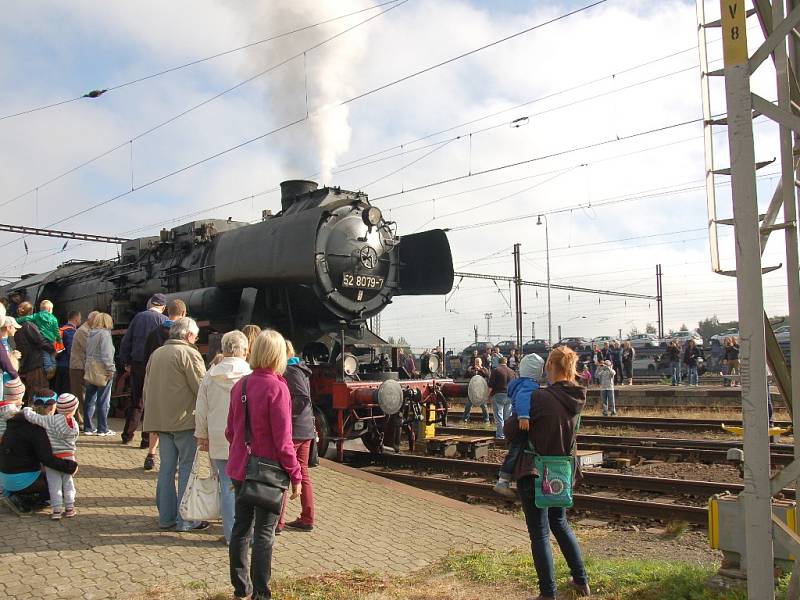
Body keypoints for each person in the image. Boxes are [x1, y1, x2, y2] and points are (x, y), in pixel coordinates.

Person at [505, 345, 590, 599]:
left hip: (535, 471)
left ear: (551, 367)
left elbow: (511, 431)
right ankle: (581, 581)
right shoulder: (577, 398)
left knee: (540, 533)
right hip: (561, 473)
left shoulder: (539, 398)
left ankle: (547, 593)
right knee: (560, 523)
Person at [226, 329, 301, 600]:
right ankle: (261, 593)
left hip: (239, 469)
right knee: (264, 533)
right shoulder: (278, 388)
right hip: (267, 472)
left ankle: (240, 588)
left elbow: (230, 431)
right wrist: (296, 475)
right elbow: (284, 441)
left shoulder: (241, 385)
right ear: (278, 355)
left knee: (241, 527)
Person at [143, 317, 208, 532]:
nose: (196, 340)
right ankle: (186, 519)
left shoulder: (157, 353)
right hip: (184, 421)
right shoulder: (189, 353)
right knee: (188, 470)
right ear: (189, 335)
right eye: (196, 336)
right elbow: (202, 389)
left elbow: (147, 387)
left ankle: (166, 518)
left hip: (161, 421)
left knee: (166, 470)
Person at [195, 330, 251, 545]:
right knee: (247, 486)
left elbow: (201, 408)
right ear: (244, 350)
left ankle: (230, 535)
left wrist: (202, 435)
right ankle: (247, 533)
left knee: (226, 485)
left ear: (224, 349)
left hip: (218, 436)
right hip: (245, 438)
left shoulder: (211, 374)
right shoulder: (249, 374)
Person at [0, 392, 78, 516]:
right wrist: (70, 466)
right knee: (60, 486)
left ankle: (14, 493)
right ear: (53, 407)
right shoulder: (38, 428)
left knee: (48, 473)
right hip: (20, 479)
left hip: (5, 477)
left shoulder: (16, 420)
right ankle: (23, 501)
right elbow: (46, 458)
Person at [141, 299, 188, 471]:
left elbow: (146, 357)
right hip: (177, 384)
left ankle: (151, 453)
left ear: (168, 312)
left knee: (157, 419)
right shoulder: (185, 334)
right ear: (183, 313)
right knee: (176, 422)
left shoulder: (154, 333)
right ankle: (175, 459)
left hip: (158, 380)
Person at [21, 391, 80, 519]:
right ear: (74, 409)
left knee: (54, 485)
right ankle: (70, 507)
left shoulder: (50, 420)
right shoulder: (75, 425)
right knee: (68, 483)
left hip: (53, 459)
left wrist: (26, 409)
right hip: (69, 458)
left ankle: (56, 511)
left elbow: (34, 418)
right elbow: (74, 439)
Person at [278, 340, 316, 533]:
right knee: (302, 472)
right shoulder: (300, 369)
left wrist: (288, 417)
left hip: (296, 431)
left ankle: (278, 521)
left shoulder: (290, 370)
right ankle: (307, 517)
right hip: (306, 428)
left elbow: (302, 397)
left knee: (284, 473)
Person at [120, 293, 167, 446]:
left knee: (136, 400)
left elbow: (127, 340)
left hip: (137, 363)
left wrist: (126, 360)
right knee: (151, 401)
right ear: (163, 307)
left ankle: (127, 435)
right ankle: (146, 439)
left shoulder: (138, 317)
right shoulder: (165, 321)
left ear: (150, 304)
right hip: (155, 366)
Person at [493, 353, 543, 497]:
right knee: (516, 450)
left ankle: (504, 480)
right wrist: (524, 416)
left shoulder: (521, 382)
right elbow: (522, 398)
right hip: (521, 422)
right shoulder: (529, 384)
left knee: (516, 449)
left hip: (517, 420)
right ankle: (503, 481)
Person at [14, 301, 55, 404]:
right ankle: (36, 416)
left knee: (31, 393)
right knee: (39, 392)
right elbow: (40, 341)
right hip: (35, 364)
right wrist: (52, 349)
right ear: (31, 311)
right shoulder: (28, 325)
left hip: (25, 363)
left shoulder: (17, 326)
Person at [83, 313, 116, 436]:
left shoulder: (91, 333)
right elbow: (106, 354)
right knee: (103, 399)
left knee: (90, 398)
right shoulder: (105, 334)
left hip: (90, 368)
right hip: (102, 370)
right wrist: (111, 368)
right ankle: (103, 428)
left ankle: (88, 427)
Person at [69, 311, 97, 426]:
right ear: (92, 320)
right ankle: (80, 420)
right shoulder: (83, 332)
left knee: (82, 394)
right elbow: (89, 348)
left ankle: (83, 420)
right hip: (78, 367)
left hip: (82, 366)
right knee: (79, 394)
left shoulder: (87, 330)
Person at [24, 300, 62, 380]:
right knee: (50, 356)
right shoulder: (53, 319)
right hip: (50, 342)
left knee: (46, 355)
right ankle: (51, 368)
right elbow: (56, 332)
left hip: (45, 343)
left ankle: (49, 368)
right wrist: (58, 344)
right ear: (49, 310)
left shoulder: (36, 318)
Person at [488, 357, 517, 439]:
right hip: (509, 396)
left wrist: (488, 396)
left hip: (498, 395)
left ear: (498, 362)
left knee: (499, 417)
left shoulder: (496, 371)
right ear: (506, 362)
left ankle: (500, 435)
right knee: (507, 418)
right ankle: (508, 435)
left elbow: (490, 386)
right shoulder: (512, 372)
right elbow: (515, 384)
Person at [53, 311, 81, 395]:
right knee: (66, 392)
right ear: (76, 319)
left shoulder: (61, 329)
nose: (80, 320)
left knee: (58, 390)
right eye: (80, 318)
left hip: (58, 364)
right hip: (67, 366)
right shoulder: (71, 332)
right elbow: (71, 350)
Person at [463, 357, 490, 423]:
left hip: (481, 390)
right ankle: (465, 418)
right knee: (468, 405)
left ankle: (486, 419)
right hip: (472, 390)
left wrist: (480, 370)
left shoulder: (484, 369)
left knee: (483, 405)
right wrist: (468, 371)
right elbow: (465, 376)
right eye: (476, 362)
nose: (477, 363)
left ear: (481, 363)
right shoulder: (472, 369)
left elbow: (488, 375)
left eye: (478, 362)